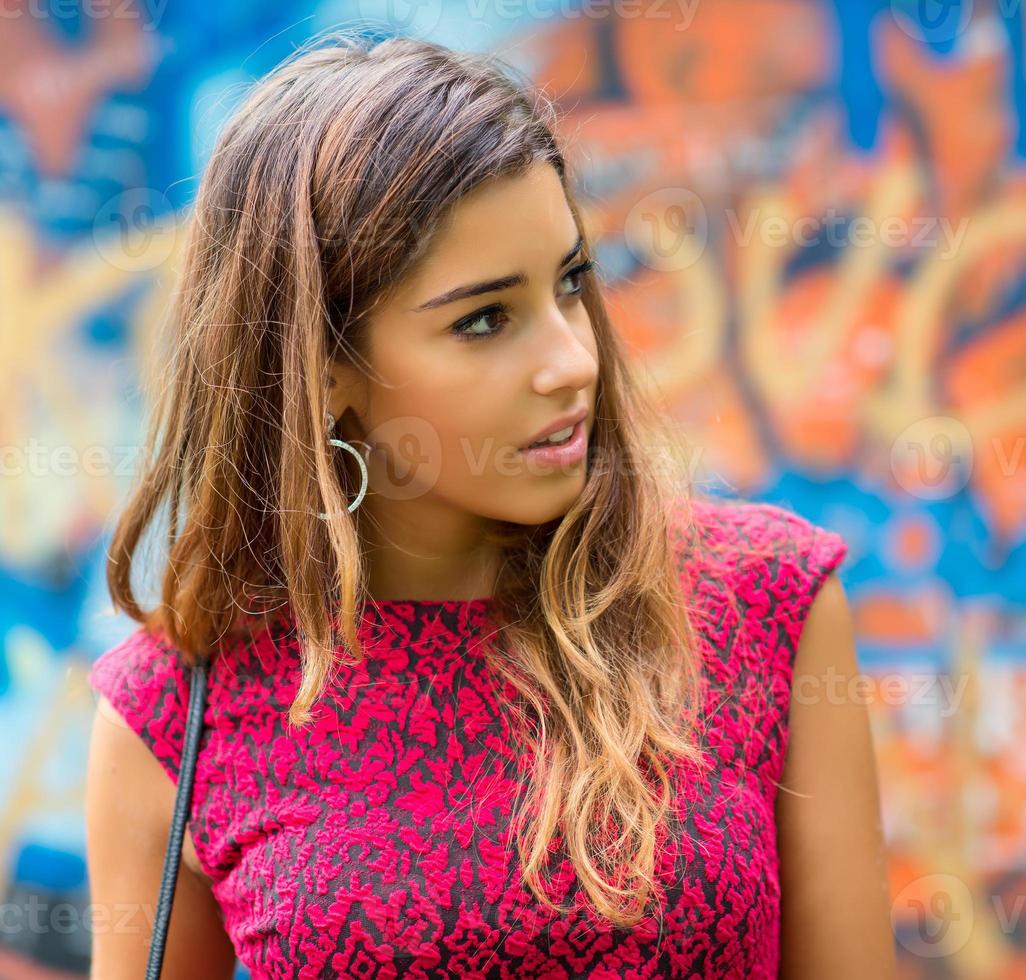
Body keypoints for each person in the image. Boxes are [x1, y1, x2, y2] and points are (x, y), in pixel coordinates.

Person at [83, 30, 894, 980]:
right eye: (483, 319)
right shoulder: (179, 705)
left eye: (571, 284)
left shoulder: (764, 602)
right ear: (324, 368)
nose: (573, 360)